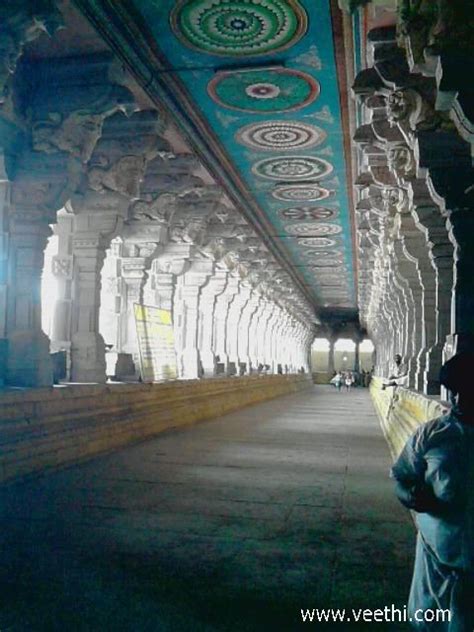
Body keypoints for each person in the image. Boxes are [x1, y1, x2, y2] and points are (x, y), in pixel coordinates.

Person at [391, 352, 474, 630]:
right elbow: (401, 478)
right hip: (435, 561)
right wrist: (411, 496)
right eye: (454, 393)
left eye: (468, 391)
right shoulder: (432, 434)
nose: (459, 401)